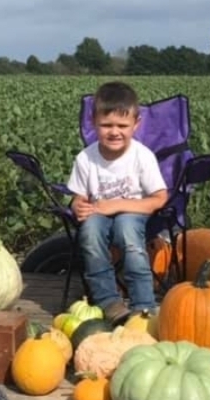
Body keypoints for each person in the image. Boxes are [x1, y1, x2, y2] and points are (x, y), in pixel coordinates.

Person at [67, 81, 168, 325]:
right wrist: (77, 205)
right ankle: (108, 301)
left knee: (126, 228)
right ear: (93, 122)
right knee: (90, 231)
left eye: (122, 125)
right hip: (98, 213)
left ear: (136, 124)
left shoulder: (142, 156)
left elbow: (159, 198)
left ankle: (143, 305)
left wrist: (116, 204)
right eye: (106, 125)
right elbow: (79, 196)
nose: (114, 132)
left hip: (134, 212)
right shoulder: (86, 158)